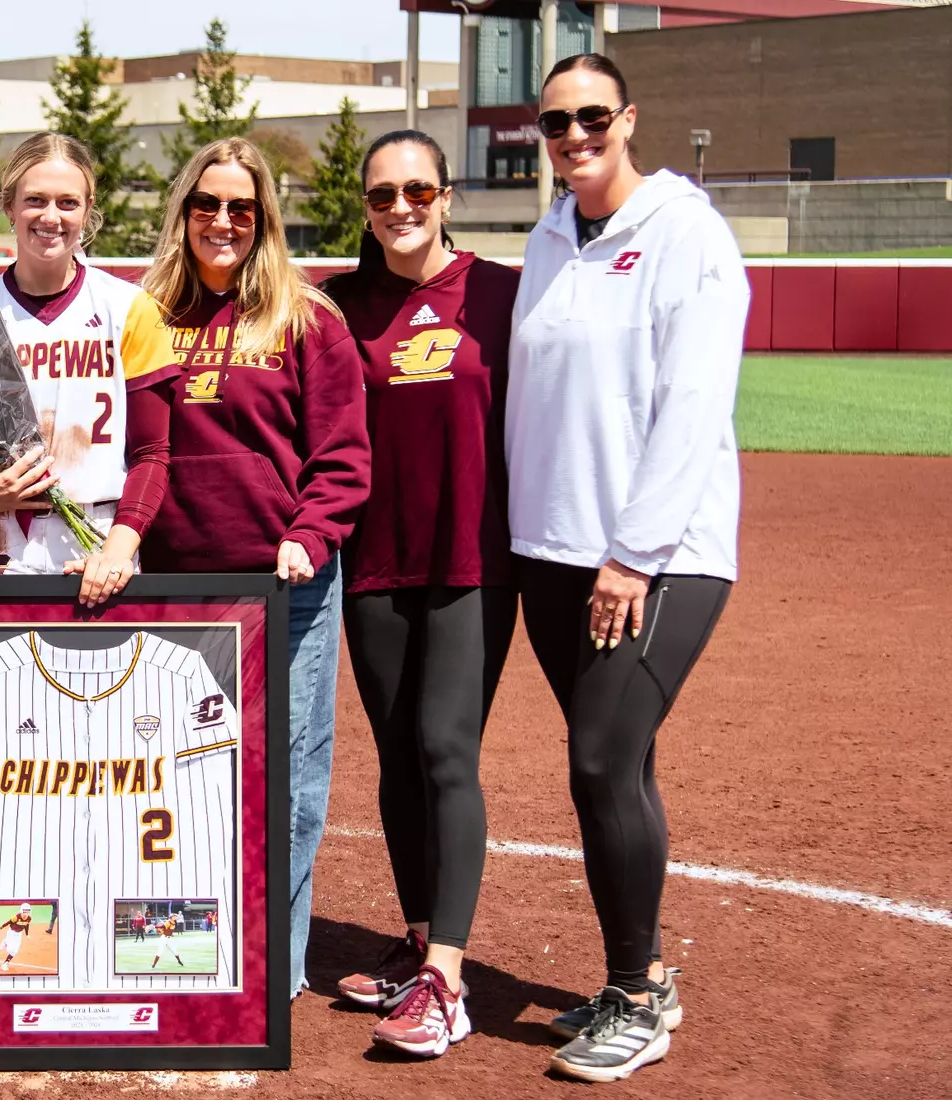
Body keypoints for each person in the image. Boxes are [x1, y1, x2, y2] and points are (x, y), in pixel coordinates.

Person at [508, 53, 748, 1083]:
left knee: (601, 759)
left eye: (592, 116)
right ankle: (634, 974)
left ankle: (640, 992)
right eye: (556, 121)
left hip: (656, 555)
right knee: (620, 762)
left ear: (629, 118)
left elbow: (693, 406)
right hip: (555, 550)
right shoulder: (552, 234)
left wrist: (634, 555)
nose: (574, 136)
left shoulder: (687, 233)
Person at [137, 137, 370, 999]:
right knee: (175, 774)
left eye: (242, 207)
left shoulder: (307, 319)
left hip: (286, 585)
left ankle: (276, 960)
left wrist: (308, 537)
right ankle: (177, 946)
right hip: (174, 588)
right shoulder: (149, 313)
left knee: (287, 779)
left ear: (264, 218)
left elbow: (343, 459)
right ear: (184, 214)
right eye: (207, 205)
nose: (222, 222)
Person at [321, 131, 521, 1059]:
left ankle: (447, 978)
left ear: (446, 195)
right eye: (381, 194)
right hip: (371, 564)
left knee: (447, 748)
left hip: (471, 562)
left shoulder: (500, 292)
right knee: (399, 753)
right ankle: (415, 942)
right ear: (364, 206)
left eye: (418, 190)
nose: (401, 207)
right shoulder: (336, 307)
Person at [0, 132, 178, 601]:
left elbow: (152, 453)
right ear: (9, 207)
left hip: (99, 541)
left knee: (100, 675)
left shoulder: (129, 308)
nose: (51, 216)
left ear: (87, 209)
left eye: (67, 202)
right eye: (35, 200)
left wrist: (119, 550)